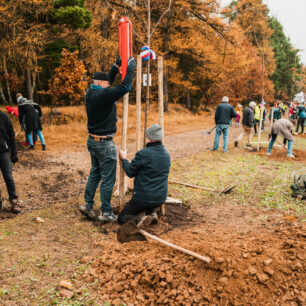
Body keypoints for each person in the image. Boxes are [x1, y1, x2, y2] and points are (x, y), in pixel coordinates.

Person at [80, 56, 136, 222]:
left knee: (95, 173)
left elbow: (107, 84)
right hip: (104, 144)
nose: (108, 85)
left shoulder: (91, 92)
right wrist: (131, 67)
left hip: (92, 141)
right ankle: (106, 212)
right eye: (106, 84)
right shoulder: (103, 95)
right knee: (108, 178)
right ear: (101, 84)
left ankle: (87, 204)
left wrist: (114, 67)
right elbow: (125, 86)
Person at [118, 124, 171, 226]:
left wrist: (124, 159)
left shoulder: (144, 154)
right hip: (160, 198)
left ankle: (141, 219)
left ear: (148, 138)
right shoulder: (166, 155)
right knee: (150, 202)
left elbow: (130, 172)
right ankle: (152, 213)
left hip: (143, 198)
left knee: (122, 218)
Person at [0, 110, 21, 213]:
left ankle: (14, 201)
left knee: (8, 177)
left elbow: (11, 135)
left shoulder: (3, 116)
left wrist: (14, 154)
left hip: (3, 153)